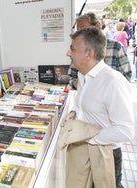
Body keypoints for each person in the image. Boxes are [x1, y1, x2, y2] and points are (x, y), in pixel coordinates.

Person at [63, 27, 134, 188]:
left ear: (89, 54)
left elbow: (126, 130)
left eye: (73, 48)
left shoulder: (113, 82)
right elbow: (85, 105)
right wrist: (75, 112)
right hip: (84, 150)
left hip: (105, 153)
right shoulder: (82, 75)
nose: (68, 53)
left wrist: (87, 136)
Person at [68, 12, 132, 89]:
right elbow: (72, 77)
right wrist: (81, 85)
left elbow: (126, 75)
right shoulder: (79, 50)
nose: (80, 34)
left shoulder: (115, 47)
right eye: (78, 31)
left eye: (83, 29)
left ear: (97, 26)